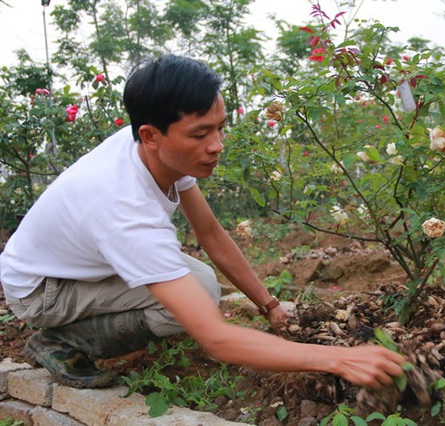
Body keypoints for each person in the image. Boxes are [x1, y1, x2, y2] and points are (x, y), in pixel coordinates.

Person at [0, 54, 404, 390]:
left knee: (202, 284)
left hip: (74, 265)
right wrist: (339, 359)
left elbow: (210, 232)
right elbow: (216, 338)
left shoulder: (157, 150)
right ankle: (59, 340)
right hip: (42, 290)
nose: (217, 145)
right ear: (151, 134)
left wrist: (269, 305)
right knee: (188, 306)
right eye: (200, 134)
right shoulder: (123, 209)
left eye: (220, 128)